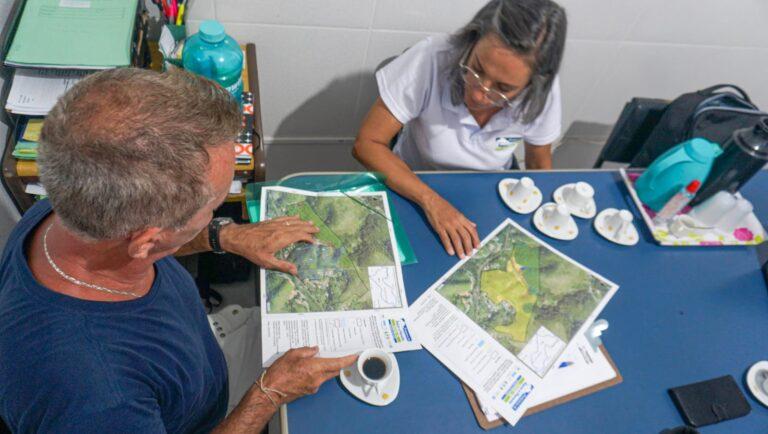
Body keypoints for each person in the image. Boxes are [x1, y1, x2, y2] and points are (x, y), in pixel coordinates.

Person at [0, 68, 357, 432]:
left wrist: (224, 236)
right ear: (147, 240)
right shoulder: (99, 397)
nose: (217, 216)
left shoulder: (71, 206)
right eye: (214, 208)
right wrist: (270, 393)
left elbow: (135, 249)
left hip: (199, 363)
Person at [353, 0, 567, 259]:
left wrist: (545, 225)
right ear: (471, 41)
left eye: (503, 88)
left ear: (533, 85)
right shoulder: (431, 58)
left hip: (490, 190)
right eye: (476, 69)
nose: (479, 95)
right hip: (414, 182)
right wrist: (432, 201)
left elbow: (539, 165)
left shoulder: (543, 92)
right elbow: (367, 144)